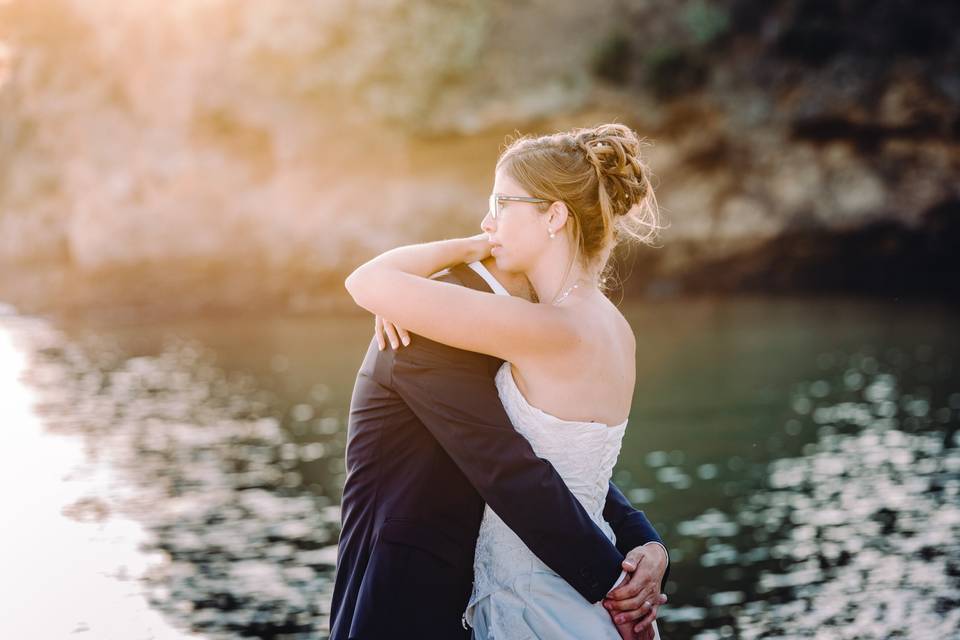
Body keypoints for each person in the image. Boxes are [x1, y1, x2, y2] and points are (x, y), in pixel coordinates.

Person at [338, 123, 669, 639]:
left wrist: (618, 579)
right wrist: (633, 562)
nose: (488, 221)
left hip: (526, 596)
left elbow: (516, 465)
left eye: (500, 203)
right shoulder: (612, 327)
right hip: (413, 597)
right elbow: (558, 453)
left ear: (554, 215)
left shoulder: (538, 326)